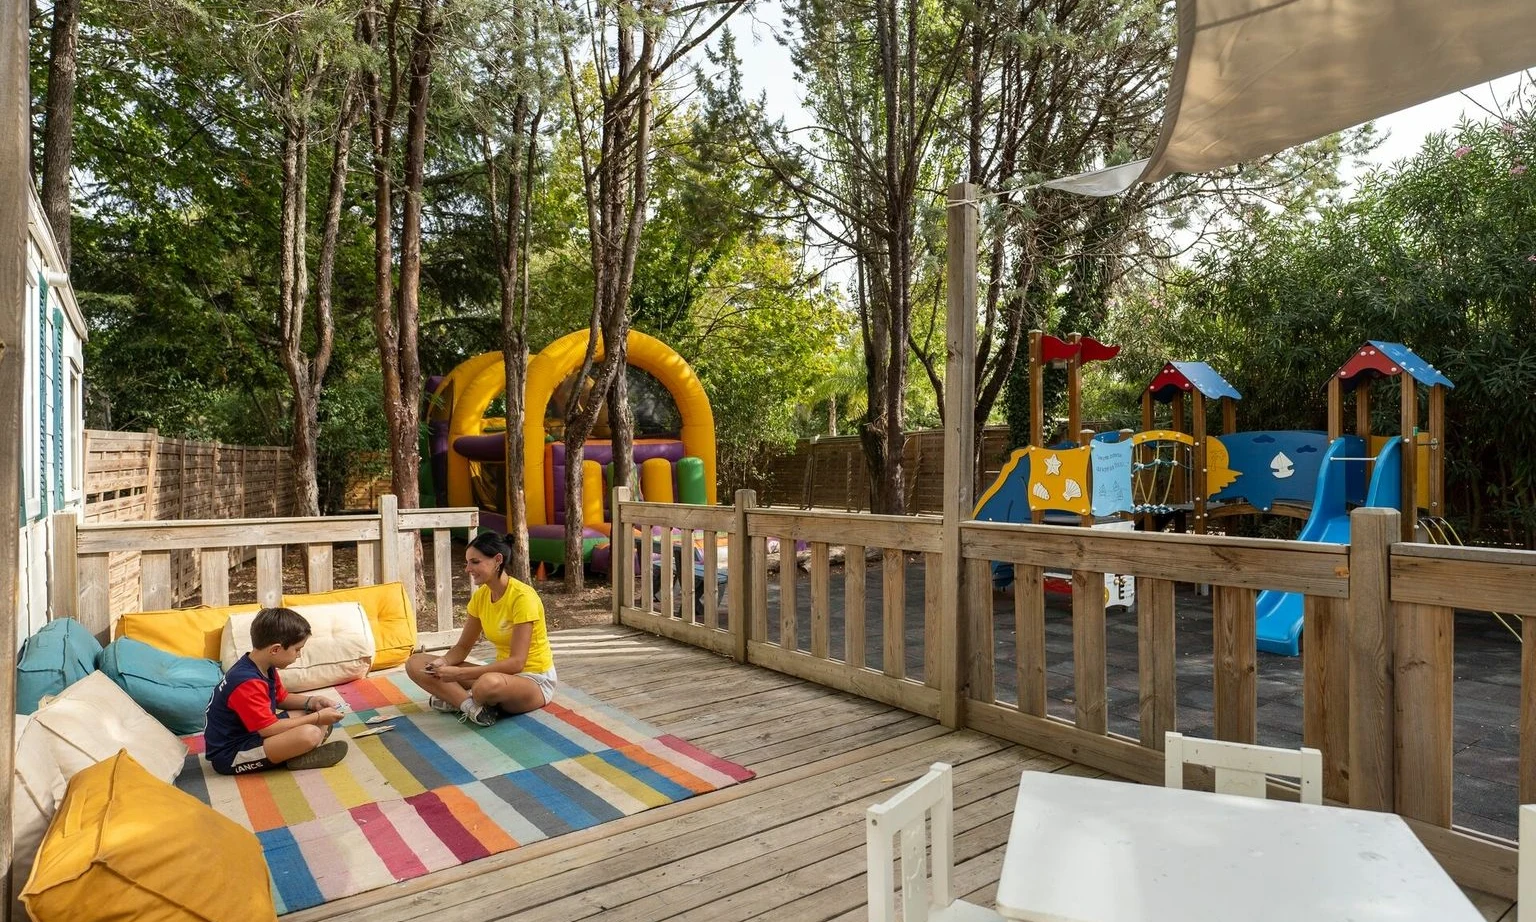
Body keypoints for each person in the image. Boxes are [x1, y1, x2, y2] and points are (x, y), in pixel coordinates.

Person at [405, 531, 556, 728]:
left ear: (497, 560)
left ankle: (458, 698)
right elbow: (462, 648)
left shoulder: (522, 598)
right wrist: (442, 663)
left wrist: (458, 675)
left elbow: (517, 663)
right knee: (416, 663)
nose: (468, 568)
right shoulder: (481, 596)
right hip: (501, 677)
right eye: (467, 563)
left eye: (475, 562)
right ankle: (472, 707)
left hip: (533, 680)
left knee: (486, 685)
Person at [204, 607, 348, 773]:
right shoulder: (247, 682)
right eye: (297, 649)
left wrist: (314, 702)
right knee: (311, 733)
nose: (299, 655)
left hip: (253, 733)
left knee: (313, 716)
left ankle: (295, 750)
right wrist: (317, 717)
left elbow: (281, 698)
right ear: (275, 649)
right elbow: (268, 729)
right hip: (231, 754)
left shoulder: (261, 665)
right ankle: (296, 753)